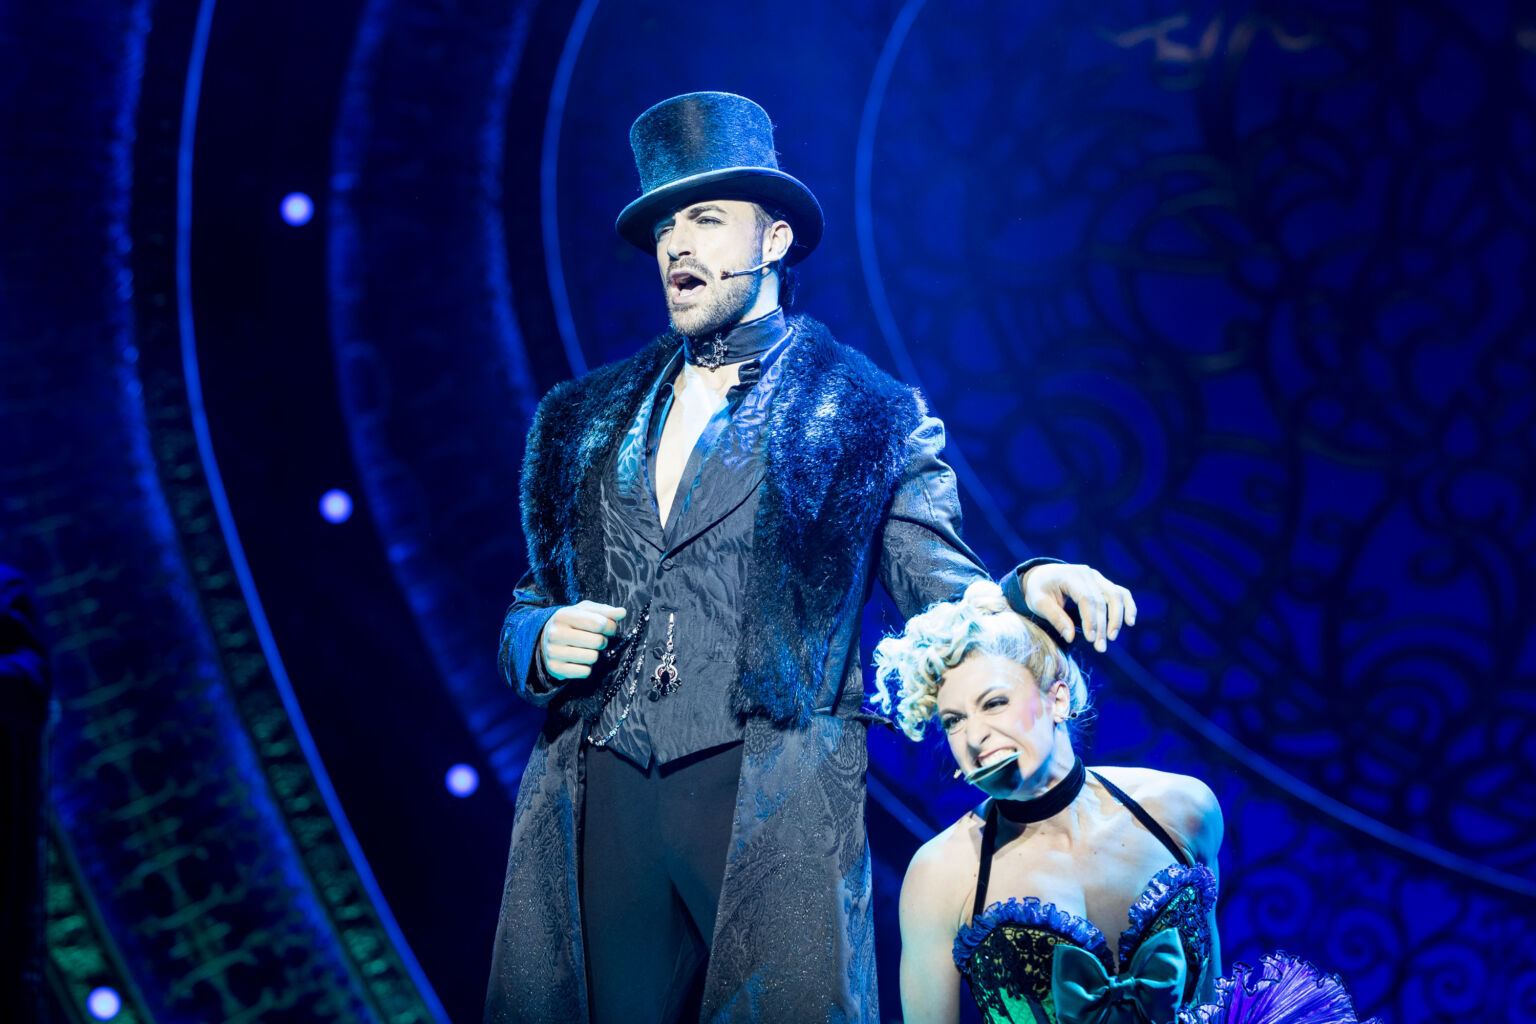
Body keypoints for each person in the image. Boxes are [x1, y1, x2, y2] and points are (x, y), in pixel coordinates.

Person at [482, 92, 1137, 1024]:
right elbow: (527, 603)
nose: (677, 247)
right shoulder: (580, 420)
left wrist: (1026, 585)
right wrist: (541, 640)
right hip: (602, 786)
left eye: (706, 219)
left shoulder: (867, 414)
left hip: (768, 793)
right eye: (665, 229)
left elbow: (940, 586)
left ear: (776, 239)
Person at [875, 581, 1379, 1024]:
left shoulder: (1182, 810)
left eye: (994, 703)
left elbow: (1212, 1002)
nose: (974, 736)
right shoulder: (941, 874)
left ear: (1057, 699)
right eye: (954, 721)